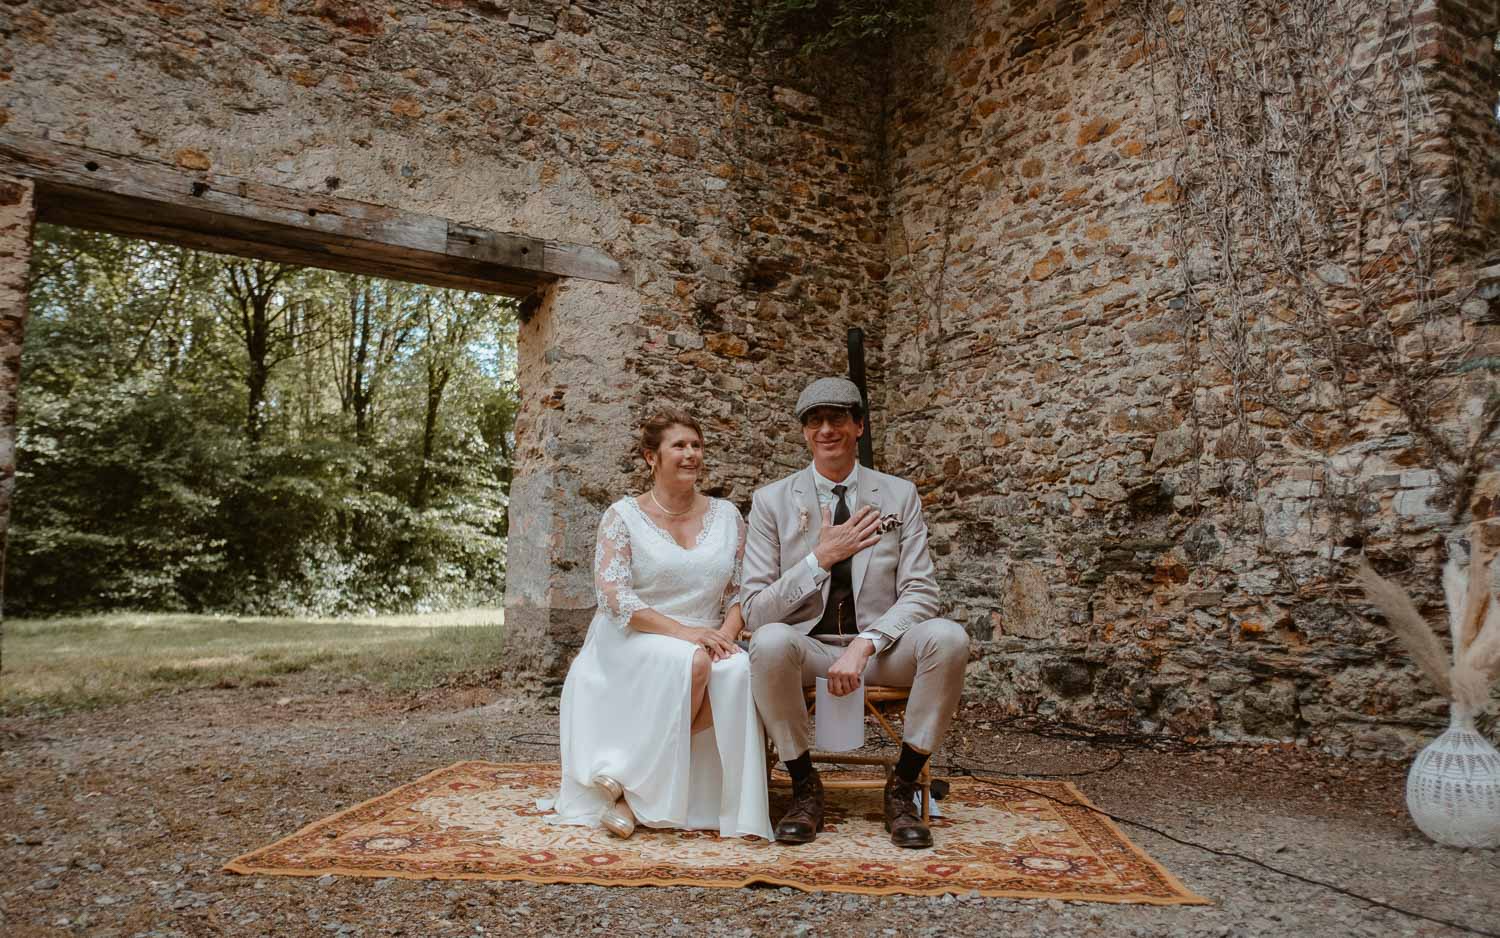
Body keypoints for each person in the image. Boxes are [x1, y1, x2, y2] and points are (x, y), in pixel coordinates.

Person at [740, 377, 969, 849]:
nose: (826, 429)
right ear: (805, 433)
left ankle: (903, 787)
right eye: (815, 421)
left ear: (859, 426)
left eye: (837, 418)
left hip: (881, 651)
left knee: (949, 638)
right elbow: (756, 611)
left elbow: (921, 590)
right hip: (809, 650)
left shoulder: (899, 495)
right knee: (768, 642)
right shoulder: (771, 501)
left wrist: (867, 644)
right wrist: (819, 559)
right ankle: (804, 786)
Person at [546, 409, 773, 841]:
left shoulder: (728, 516)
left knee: (740, 669)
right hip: (634, 635)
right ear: (652, 457)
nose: (691, 454)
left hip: (709, 633)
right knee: (694, 664)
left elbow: (742, 592)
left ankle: (629, 787)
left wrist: (725, 636)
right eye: (679, 446)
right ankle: (640, 792)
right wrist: (688, 636)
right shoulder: (622, 516)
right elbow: (614, 596)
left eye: (696, 445)